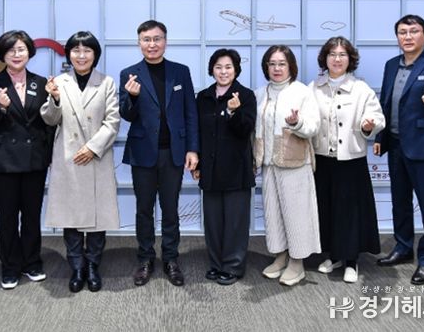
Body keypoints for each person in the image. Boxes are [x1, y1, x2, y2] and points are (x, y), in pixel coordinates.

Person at [374, 15, 424, 285]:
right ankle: (403, 247)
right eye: (402, 32)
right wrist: (381, 137)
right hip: (396, 145)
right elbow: (386, 104)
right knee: (400, 202)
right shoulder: (391, 65)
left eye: (414, 31)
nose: (407, 37)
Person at [119, 20, 199, 287]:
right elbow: (126, 114)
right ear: (139, 42)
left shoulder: (180, 72)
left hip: (173, 153)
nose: (151, 44)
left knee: (170, 209)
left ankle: (171, 259)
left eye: (157, 39)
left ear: (165, 41)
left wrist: (192, 148)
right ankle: (145, 258)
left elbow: (190, 112)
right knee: (143, 210)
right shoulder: (129, 74)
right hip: (143, 153)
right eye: (146, 39)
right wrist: (131, 97)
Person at [40, 31, 121, 293]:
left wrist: (92, 148)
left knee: (97, 219)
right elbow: (50, 119)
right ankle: (76, 267)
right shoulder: (59, 82)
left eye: (87, 50)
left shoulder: (106, 82)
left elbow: (113, 121)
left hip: (96, 157)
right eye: (76, 50)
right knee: (71, 217)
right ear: (69, 55)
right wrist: (54, 98)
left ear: (95, 54)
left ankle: (93, 265)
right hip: (69, 158)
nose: (81, 55)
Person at [0, 30, 55, 290]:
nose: (16, 54)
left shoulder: (40, 82)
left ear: (29, 52)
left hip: (34, 159)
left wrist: (49, 155)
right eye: (11, 50)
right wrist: (0, 106)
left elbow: (48, 123)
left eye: (21, 49)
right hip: (3, 161)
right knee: (8, 216)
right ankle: (10, 266)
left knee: (32, 215)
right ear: (2, 54)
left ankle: (32, 262)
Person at [310, 37, 385, 283]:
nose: (337, 59)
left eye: (342, 54)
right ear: (325, 59)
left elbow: (376, 117)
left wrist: (369, 125)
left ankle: (351, 261)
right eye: (332, 54)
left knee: (350, 212)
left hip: (351, 160)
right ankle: (334, 256)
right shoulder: (314, 88)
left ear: (350, 59)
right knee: (328, 209)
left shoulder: (361, 89)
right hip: (323, 159)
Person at [254, 45, 320, 286]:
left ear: (291, 66)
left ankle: (297, 262)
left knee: (296, 215)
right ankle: (280, 256)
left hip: (295, 163)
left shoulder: (302, 92)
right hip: (269, 163)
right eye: (272, 64)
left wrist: (296, 122)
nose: (277, 68)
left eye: (282, 63)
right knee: (273, 213)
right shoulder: (260, 93)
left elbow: (313, 127)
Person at [195, 48, 256, 286]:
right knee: (212, 222)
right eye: (218, 67)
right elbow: (198, 132)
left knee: (235, 222)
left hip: (236, 170)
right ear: (212, 70)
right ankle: (216, 263)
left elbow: (245, 130)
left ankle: (232, 266)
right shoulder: (203, 97)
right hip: (209, 168)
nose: (223, 72)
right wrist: (197, 161)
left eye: (228, 67)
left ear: (236, 70)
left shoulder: (246, 96)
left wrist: (233, 111)